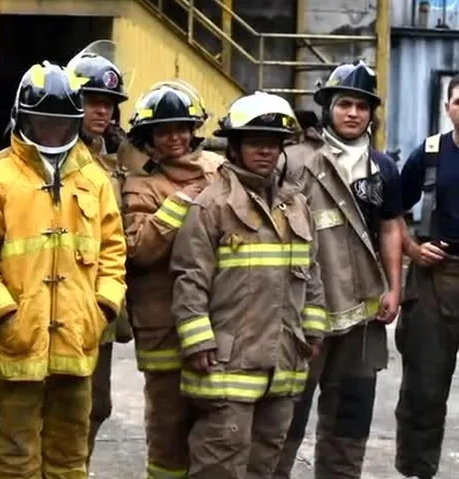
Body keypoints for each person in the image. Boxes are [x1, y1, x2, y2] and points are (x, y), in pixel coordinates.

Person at [0, 61, 127, 477]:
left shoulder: (94, 177)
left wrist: (101, 309)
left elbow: (113, 252)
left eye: (60, 123)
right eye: (42, 122)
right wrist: (2, 314)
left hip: (78, 337)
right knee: (16, 451)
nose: (52, 132)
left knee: (70, 452)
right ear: (23, 120)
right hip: (18, 338)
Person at [170, 91, 327, 479]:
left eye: (273, 143)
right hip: (227, 367)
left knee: (265, 466)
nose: (265, 151)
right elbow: (189, 278)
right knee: (219, 466)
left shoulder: (296, 205)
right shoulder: (213, 205)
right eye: (256, 142)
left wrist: (314, 327)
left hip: (284, 364)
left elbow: (313, 272)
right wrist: (198, 340)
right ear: (236, 146)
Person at [274, 60, 404, 479]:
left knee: (351, 413)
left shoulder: (382, 168)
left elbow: (389, 228)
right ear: (328, 106)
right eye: (345, 104)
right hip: (302, 310)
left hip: (362, 314)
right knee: (286, 411)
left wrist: (394, 288)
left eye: (362, 107)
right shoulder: (293, 161)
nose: (353, 113)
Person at [121, 81, 223, 478]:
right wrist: (184, 200)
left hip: (217, 318)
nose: (175, 137)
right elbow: (141, 249)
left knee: (216, 424)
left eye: (182, 128)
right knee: (168, 426)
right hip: (162, 323)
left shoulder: (220, 173)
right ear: (149, 138)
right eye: (164, 131)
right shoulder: (140, 186)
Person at [64, 46, 136, 462]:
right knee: (61, 406)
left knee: (97, 405)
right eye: (93, 101)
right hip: (64, 297)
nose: (102, 111)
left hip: (104, 300)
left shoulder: (116, 157)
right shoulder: (55, 156)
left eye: (108, 103)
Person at [394, 74, 459, 479]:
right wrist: (414, 250)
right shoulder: (430, 153)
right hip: (437, 281)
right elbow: (392, 211)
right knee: (424, 388)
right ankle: (418, 471)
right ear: (449, 107)